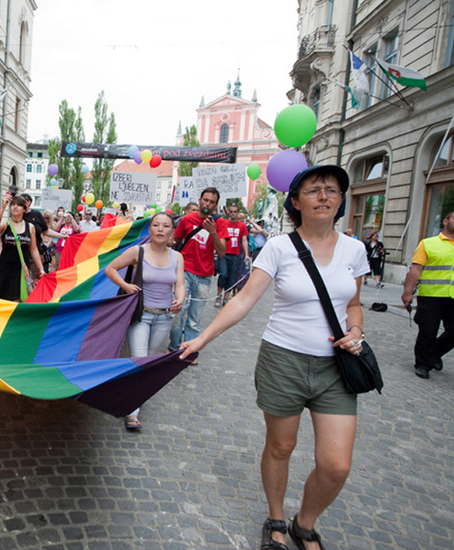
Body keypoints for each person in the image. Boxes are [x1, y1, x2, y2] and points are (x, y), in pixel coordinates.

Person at [180, 165, 368, 550]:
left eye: (332, 190)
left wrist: (356, 331)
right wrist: (203, 338)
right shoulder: (280, 247)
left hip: (336, 366)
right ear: (296, 202)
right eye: (314, 190)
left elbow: (354, 304)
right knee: (281, 447)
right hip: (283, 359)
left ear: (340, 201)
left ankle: (305, 522)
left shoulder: (355, 249)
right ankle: (277, 517)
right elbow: (245, 300)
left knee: (336, 465)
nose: (324, 196)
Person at [105, 212, 185, 430]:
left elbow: (179, 284)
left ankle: (129, 389)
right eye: (156, 225)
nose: (160, 229)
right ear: (150, 229)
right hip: (141, 315)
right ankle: (132, 411)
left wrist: (180, 299)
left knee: (147, 362)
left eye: (165, 226)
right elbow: (110, 269)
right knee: (139, 359)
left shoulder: (177, 257)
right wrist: (126, 286)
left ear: (171, 231)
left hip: (165, 317)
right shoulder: (138, 252)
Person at [167, 187, 227, 355]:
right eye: (205, 200)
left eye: (212, 202)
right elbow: (174, 242)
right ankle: (173, 347)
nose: (208, 204)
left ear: (216, 205)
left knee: (194, 317)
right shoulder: (187, 220)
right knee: (178, 312)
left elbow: (222, 251)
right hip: (183, 271)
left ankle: (189, 351)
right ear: (200, 200)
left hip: (204, 275)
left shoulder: (220, 223)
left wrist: (213, 232)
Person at [401, 210, 454, 379]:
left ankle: (434, 354)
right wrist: (408, 292)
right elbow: (416, 269)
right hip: (431, 296)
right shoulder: (428, 243)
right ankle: (423, 364)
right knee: (428, 331)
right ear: (445, 221)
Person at [0, 194, 45, 301]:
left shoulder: (30, 227)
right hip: (5, 269)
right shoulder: (6, 225)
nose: (15, 207)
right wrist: (3, 207)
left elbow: (33, 249)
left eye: (18, 205)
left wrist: (41, 269)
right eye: (13, 205)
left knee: (17, 300)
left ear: (24, 209)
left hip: (21, 271)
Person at [215, 205, 249, 307]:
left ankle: (226, 298)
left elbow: (244, 240)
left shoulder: (242, 226)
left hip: (235, 255)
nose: (233, 213)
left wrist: (247, 255)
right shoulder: (224, 223)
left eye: (235, 212)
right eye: (231, 211)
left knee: (232, 278)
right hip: (224, 253)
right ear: (229, 212)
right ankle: (218, 295)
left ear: (238, 213)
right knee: (223, 274)